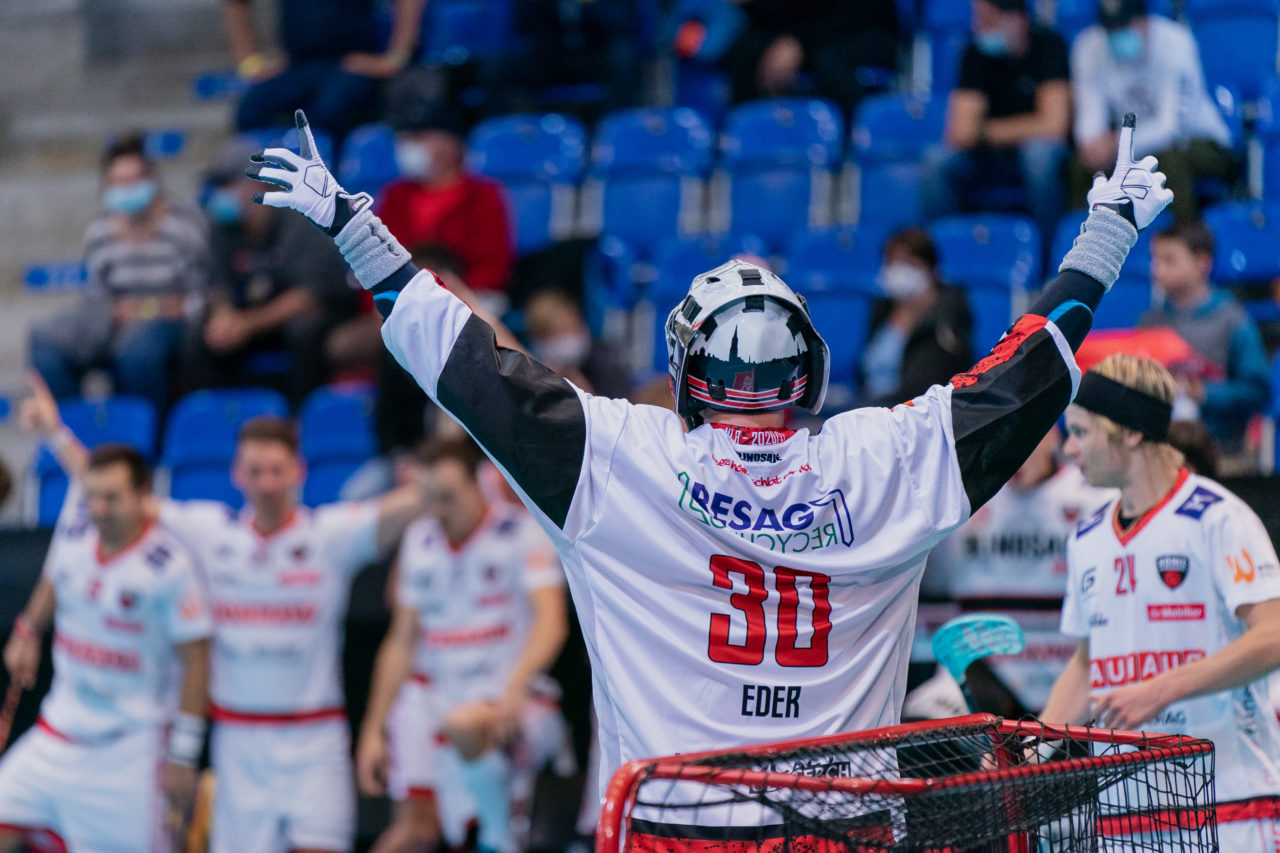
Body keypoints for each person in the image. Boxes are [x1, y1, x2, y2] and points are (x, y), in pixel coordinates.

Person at [248, 109, 1171, 828]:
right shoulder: (882, 457)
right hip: (841, 830)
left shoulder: (622, 456)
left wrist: (354, 228)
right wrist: (1108, 232)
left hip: (675, 825)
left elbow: (469, 367)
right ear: (808, 367)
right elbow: (1022, 378)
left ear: (687, 368)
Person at [24, 385, 424, 853]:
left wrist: (476, 438)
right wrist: (55, 434)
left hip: (315, 742)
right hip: (238, 743)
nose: (267, 483)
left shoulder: (331, 535)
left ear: (299, 470)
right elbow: (114, 495)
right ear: (236, 474)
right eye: (255, 471)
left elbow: (419, 500)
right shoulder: (210, 532)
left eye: (276, 470)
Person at [1041, 353, 1280, 850]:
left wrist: (1161, 690)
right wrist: (1031, 745)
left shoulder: (1218, 519)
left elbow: (1274, 636)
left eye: (1081, 432)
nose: (1068, 449)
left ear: (1130, 433)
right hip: (1123, 819)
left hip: (1228, 809)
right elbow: (1087, 664)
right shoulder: (1086, 537)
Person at [359, 437, 570, 853]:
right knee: (417, 830)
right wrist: (373, 729)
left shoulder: (521, 532)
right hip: (437, 698)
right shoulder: (419, 539)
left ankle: (498, 839)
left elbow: (552, 622)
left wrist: (515, 687)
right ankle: (493, 835)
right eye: (429, 499)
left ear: (478, 485)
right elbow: (401, 640)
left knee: (464, 724)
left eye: (448, 498)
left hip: (512, 696)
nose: (438, 510)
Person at [0, 444, 212, 851]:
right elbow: (55, 577)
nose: (98, 509)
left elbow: (197, 660)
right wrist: (27, 630)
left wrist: (184, 756)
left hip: (128, 752)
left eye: (111, 498)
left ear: (143, 496)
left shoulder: (169, 567)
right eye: (92, 497)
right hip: (55, 736)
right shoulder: (76, 536)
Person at [926, 426, 1114, 713]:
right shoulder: (958, 499)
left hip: (1070, 677)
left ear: (1052, 436)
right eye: (1001, 441)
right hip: (980, 676)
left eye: (1024, 438)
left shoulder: (1097, 501)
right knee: (923, 719)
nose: (1013, 454)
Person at [28, 134, 208, 415]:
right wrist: (113, 313)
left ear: (152, 180)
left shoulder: (182, 226)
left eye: (135, 180)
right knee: (45, 340)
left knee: (137, 350)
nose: (128, 188)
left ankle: (149, 432)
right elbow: (97, 299)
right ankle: (76, 429)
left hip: (170, 326)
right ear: (106, 187)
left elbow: (200, 296)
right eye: (119, 182)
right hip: (114, 321)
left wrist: (147, 310)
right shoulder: (100, 232)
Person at [193, 139, 360, 404]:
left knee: (303, 330)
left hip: (312, 315)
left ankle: (301, 416)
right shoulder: (222, 228)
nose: (219, 193)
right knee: (199, 334)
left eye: (227, 184)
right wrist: (222, 316)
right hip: (253, 317)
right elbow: (217, 285)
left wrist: (247, 324)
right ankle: (217, 417)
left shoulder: (300, 217)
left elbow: (308, 296)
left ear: (258, 183)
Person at [1071, 0, 1235, 222]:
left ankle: (1184, 236)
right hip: (1128, 147)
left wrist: (1116, 144)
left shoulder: (1175, 43)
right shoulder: (1089, 46)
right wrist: (1094, 146)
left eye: (1125, 26)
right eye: (1111, 29)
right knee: (1082, 165)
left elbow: (1171, 127)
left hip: (1198, 140)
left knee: (1168, 162)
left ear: (1145, 21)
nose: (1117, 34)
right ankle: (1085, 239)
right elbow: (1089, 117)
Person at [921, 0, 1071, 239]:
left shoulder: (1049, 45)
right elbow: (962, 133)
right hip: (985, 156)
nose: (978, 27)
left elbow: (1054, 126)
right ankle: (942, 247)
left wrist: (986, 131)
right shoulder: (974, 52)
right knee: (936, 160)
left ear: (1018, 19)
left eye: (988, 20)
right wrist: (1027, 125)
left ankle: (1049, 250)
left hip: (1029, 152)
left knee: (1039, 155)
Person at [1138, 219, 1270, 453]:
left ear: (1202, 262)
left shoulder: (1232, 320)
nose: (1157, 269)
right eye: (1155, 259)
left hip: (1220, 449)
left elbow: (1257, 391)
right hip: (1159, 449)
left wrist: (1204, 393)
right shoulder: (1150, 322)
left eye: (1169, 260)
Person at [376, 98, 514, 312]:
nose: (407, 146)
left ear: (451, 143)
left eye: (418, 138)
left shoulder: (482, 195)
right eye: (403, 139)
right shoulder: (395, 196)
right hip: (403, 299)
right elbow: (377, 259)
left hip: (470, 296)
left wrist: (444, 297)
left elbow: (491, 268)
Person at [226, 0, 426, 140]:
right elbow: (237, 4)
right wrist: (250, 63)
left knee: (329, 111)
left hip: (349, 65)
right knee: (251, 109)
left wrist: (397, 56)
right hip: (297, 65)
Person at [860, 227, 973, 407]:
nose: (899, 271)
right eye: (892, 262)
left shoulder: (948, 314)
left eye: (908, 263)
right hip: (870, 405)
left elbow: (928, 385)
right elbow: (862, 371)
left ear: (931, 271)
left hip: (917, 411)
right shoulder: (882, 308)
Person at [713, 0, 899, 108]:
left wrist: (800, 43)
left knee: (830, 60)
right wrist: (754, 4)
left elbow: (858, 12)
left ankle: (857, 140)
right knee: (745, 50)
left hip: (862, 31)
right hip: (802, 34)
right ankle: (751, 140)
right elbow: (787, 11)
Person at [523, 288, 632, 399]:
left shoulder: (606, 362)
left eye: (573, 328)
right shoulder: (530, 375)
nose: (569, 338)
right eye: (560, 333)